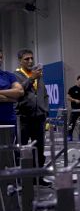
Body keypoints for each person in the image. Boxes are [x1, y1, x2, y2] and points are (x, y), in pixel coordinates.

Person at [14, 49, 50, 186]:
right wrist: (31, 78)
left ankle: (38, 178)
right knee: (22, 150)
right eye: (26, 59)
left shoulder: (38, 76)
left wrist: (45, 111)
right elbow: (19, 92)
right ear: (20, 60)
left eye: (31, 58)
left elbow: (44, 94)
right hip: (23, 118)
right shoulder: (16, 76)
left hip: (38, 118)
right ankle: (22, 180)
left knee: (39, 150)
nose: (30, 61)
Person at [0, 50, 24, 125]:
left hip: (9, 119)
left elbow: (20, 91)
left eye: (1, 57)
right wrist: (12, 98)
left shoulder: (8, 75)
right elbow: (16, 97)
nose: (0, 60)